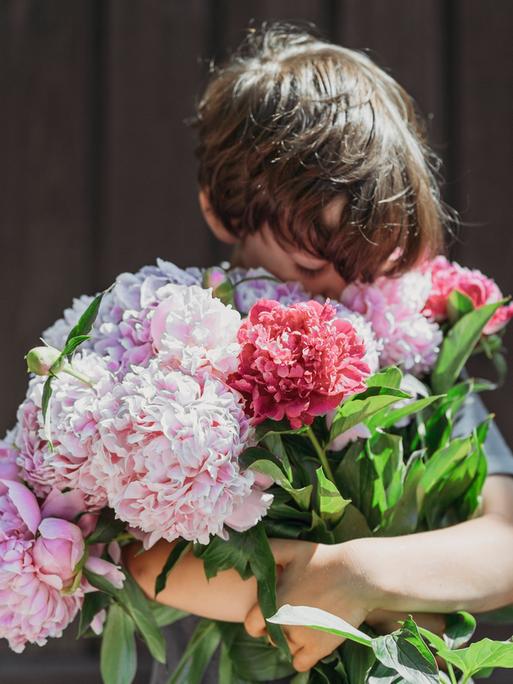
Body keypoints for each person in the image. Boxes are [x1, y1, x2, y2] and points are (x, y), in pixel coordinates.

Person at [123, 21, 513, 681]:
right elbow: (148, 562)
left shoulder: (409, 356)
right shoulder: (173, 358)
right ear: (220, 211)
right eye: (310, 266)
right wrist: (376, 603)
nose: (338, 289)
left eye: (365, 265)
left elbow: (501, 542)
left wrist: (356, 575)